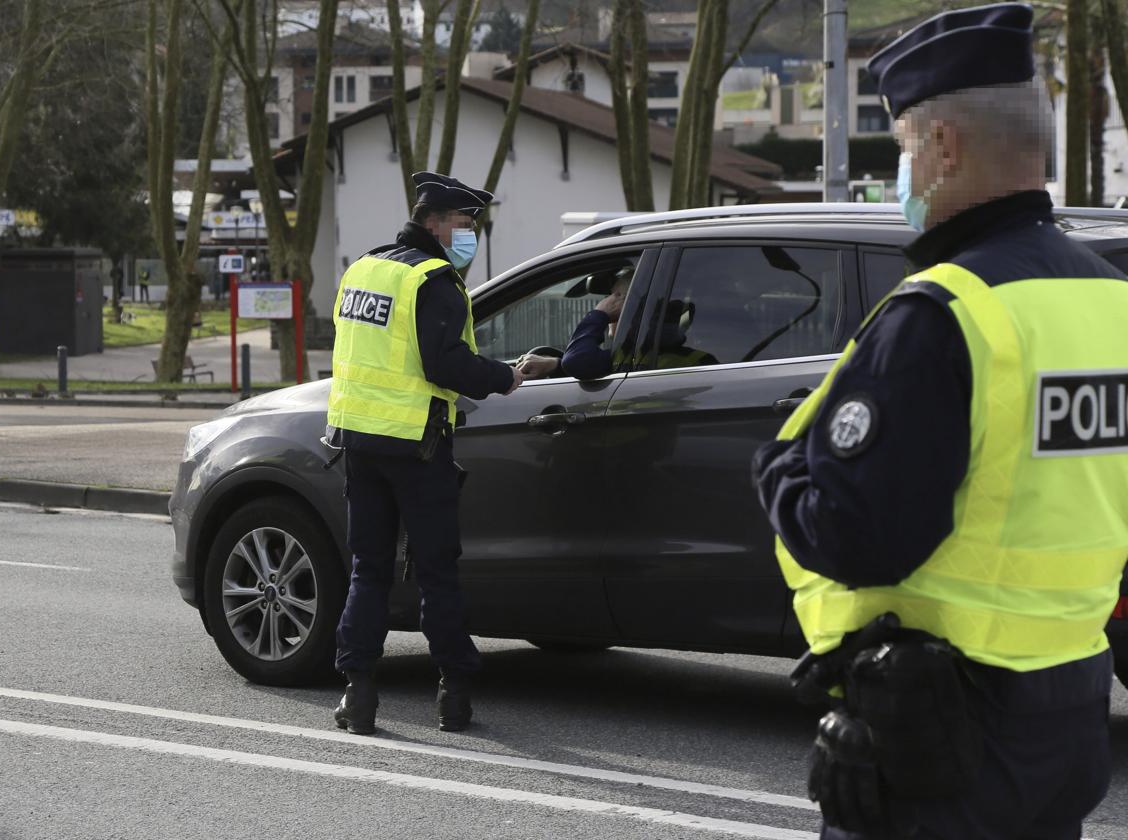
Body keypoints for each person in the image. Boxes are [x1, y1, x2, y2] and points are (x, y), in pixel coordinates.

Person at [752, 4, 1128, 838]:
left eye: (902, 146)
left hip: (940, 734)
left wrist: (778, 469)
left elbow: (858, 538)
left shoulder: (944, 312)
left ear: (945, 147)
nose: (902, 171)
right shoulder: (1112, 300)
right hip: (1067, 716)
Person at [327, 171, 523, 735]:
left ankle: (358, 695)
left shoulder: (363, 268)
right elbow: (445, 365)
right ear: (434, 222)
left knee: (369, 570)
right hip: (417, 444)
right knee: (437, 572)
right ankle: (453, 694)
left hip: (358, 443)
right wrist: (504, 377)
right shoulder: (433, 279)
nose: (470, 236)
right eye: (464, 225)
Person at [517, 273, 716, 381]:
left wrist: (598, 315)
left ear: (638, 309)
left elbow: (579, 362)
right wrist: (554, 364)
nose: (608, 302)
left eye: (617, 297)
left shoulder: (684, 360)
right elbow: (595, 364)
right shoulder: (637, 353)